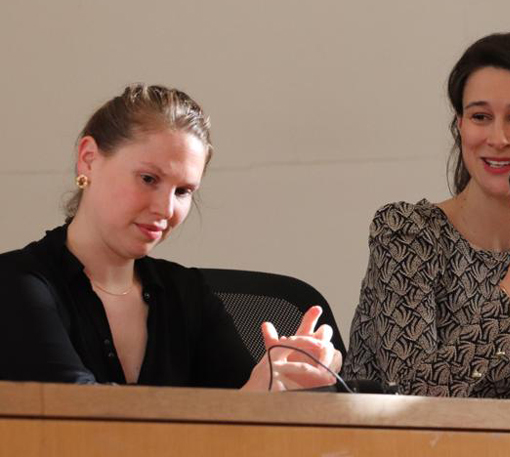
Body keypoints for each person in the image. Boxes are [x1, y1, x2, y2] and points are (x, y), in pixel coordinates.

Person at [0, 84, 340, 391]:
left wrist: (289, 380)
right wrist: (254, 397)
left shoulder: (187, 293)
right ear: (88, 159)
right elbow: (81, 425)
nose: (165, 208)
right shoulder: (16, 283)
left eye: (183, 191)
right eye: (148, 179)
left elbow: (244, 413)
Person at [343, 33, 510, 399]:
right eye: (480, 116)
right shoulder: (406, 231)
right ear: (460, 125)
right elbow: (413, 393)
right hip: (402, 451)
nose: (498, 137)